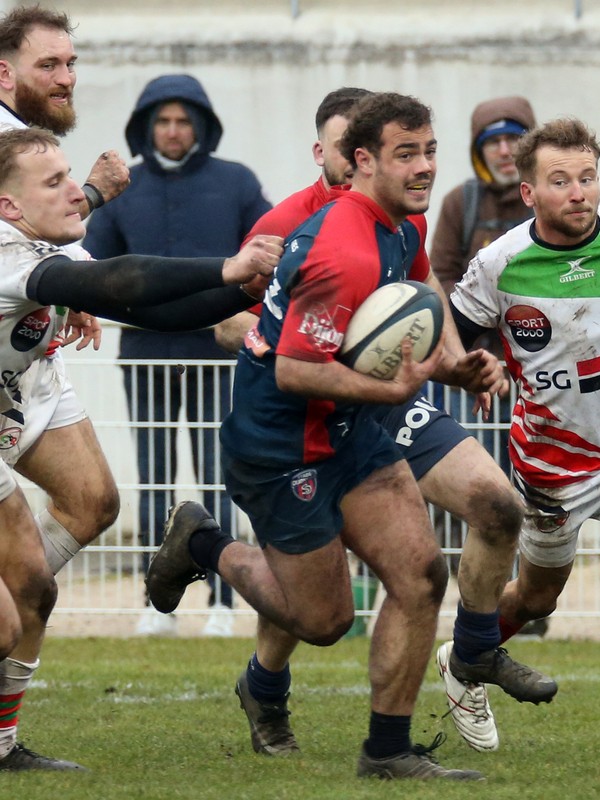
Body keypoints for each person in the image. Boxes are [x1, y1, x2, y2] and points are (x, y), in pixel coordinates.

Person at [146, 91, 531, 782]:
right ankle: (200, 538)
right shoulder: (339, 248)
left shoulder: (401, 227)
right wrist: (389, 389)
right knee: (320, 621)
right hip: (280, 445)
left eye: (430, 151)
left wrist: (452, 363)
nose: (423, 168)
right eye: (405, 154)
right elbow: (294, 369)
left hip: (352, 430)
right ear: (361, 161)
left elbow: (423, 291)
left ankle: (387, 752)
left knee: (420, 575)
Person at [0, 126, 281, 771]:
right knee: (12, 616)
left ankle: (3, 745)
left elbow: (155, 312)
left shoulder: (39, 244)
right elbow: (124, 280)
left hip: (12, 407)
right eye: (56, 184)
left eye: (73, 178)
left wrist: (243, 292)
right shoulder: (13, 257)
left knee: (42, 576)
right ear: (11, 207)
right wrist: (229, 266)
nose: (78, 193)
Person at [83, 73, 272, 638]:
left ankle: (222, 603)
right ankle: (154, 602)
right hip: (145, 353)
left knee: (221, 475)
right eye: (162, 120)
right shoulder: (125, 190)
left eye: (182, 120)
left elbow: (267, 252)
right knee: (154, 476)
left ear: (201, 126)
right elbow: (91, 267)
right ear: (146, 126)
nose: (172, 130)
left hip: (219, 354)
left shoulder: (237, 182)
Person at [438, 116, 599, 752]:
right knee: (536, 596)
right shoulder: (500, 263)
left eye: (587, 177)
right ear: (529, 192)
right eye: (560, 181)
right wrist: (478, 365)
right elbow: (453, 333)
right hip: (555, 462)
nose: (579, 192)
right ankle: (465, 657)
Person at [430, 96, 540, 584]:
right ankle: (479, 586)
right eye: (491, 141)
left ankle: (529, 595)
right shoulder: (461, 202)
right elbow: (441, 281)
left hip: (540, 370)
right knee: (478, 489)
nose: (503, 150)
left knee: (534, 488)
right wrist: (470, 352)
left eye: (513, 139)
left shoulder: (551, 200)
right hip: (474, 370)